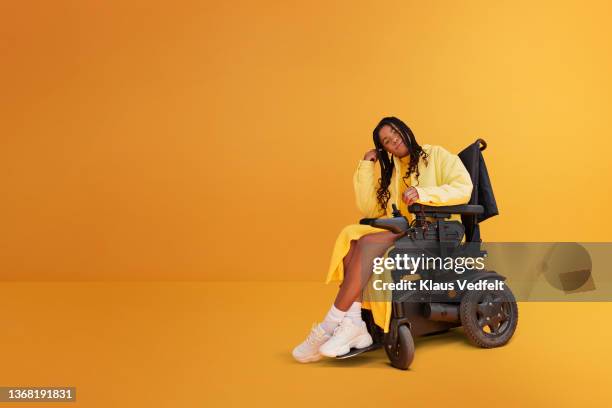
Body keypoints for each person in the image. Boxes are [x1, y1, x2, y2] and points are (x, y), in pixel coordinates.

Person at [292, 117, 473, 363]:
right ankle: (354, 323)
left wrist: (423, 193)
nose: (393, 140)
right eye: (386, 141)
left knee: (365, 244)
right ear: (384, 149)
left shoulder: (436, 155)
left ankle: (327, 326)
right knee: (351, 238)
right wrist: (367, 166)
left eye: (395, 133)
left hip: (431, 229)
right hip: (403, 229)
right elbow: (370, 210)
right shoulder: (394, 170)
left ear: (405, 130)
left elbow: (464, 187)